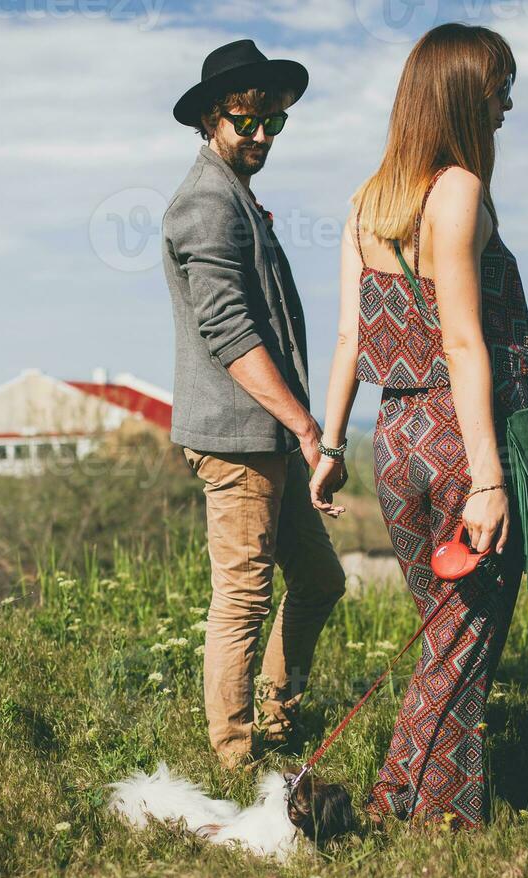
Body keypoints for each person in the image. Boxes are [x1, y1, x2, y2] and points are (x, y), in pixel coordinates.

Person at [310, 23, 528, 829]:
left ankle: (442, 816)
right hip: (457, 434)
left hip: (393, 439)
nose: (507, 103)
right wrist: (488, 477)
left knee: (446, 634)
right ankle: (386, 805)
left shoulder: (366, 203)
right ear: (459, 95)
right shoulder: (459, 192)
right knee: (460, 639)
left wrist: (330, 448)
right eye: (497, 88)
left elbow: (347, 338)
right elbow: (466, 342)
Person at [163, 39, 347, 770]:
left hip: (269, 436)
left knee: (322, 582)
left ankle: (277, 714)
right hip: (242, 441)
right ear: (212, 117)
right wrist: (309, 427)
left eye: (274, 121)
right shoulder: (206, 203)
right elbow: (229, 330)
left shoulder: (233, 194)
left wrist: (297, 430)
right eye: (248, 121)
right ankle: (236, 761)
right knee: (242, 599)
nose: (264, 135)